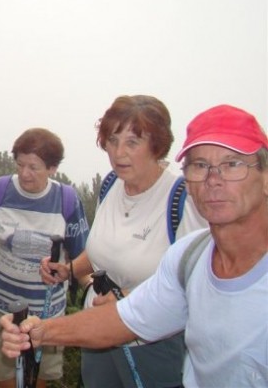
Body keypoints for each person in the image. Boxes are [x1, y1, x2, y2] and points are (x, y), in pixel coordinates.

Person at [0, 104, 268, 388]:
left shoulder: (177, 206)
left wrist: (122, 295)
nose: (213, 179)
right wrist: (39, 331)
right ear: (190, 178)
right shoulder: (189, 257)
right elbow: (128, 317)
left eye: (232, 164)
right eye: (200, 165)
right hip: (104, 327)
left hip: (154, 348)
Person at [39, 95, 208, 388]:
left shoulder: (181, 199)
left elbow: (196, 281)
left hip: (152, 343)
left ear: (157, 145)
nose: (118, 153)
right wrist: (69, 270)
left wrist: (129, 299)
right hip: (99, 330)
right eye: (112, 140)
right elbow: (102, 253)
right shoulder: (111, 185)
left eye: (132, 142)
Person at [0, 128, 89, 388]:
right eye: (20, 164)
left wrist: (78, 277)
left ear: (53, 168)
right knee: (5, 378)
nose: (24, 173)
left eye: (34, 167)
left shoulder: (67, 201)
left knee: (38, 380)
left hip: (47, 312)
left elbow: (81, 257)